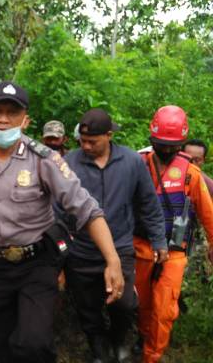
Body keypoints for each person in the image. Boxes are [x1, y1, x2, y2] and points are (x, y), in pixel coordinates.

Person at [0, 81, 125, 363]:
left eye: (12, 113)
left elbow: (87, 209)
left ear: (25, 120)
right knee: (2, 344)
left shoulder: (44, 160)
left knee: (33, 343)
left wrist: (112, 260)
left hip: (36, 264)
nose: (3, 119)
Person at [64, 108, 167, 363]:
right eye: (82, 141)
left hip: (120, 247)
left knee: (123, 303)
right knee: (87, 306)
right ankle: (99, 349)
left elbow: (148, 204)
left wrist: (159, 240)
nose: (86, 146)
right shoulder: (69, 162)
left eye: (92, 141)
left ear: (109, 136)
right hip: (81, 249)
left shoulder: (131, 162)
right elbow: (57, 208)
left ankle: (118, 338)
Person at [134, 105, 213, 363]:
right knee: (142, 304)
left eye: (172, 146)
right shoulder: (137, 164)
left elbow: (208, 213)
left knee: (164, 308)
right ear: (152, 139)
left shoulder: (190, 173)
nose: (166, 150)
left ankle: (152, 356)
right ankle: (143, 338)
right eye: (161, 144)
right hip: (140, 247)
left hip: (174, 252)